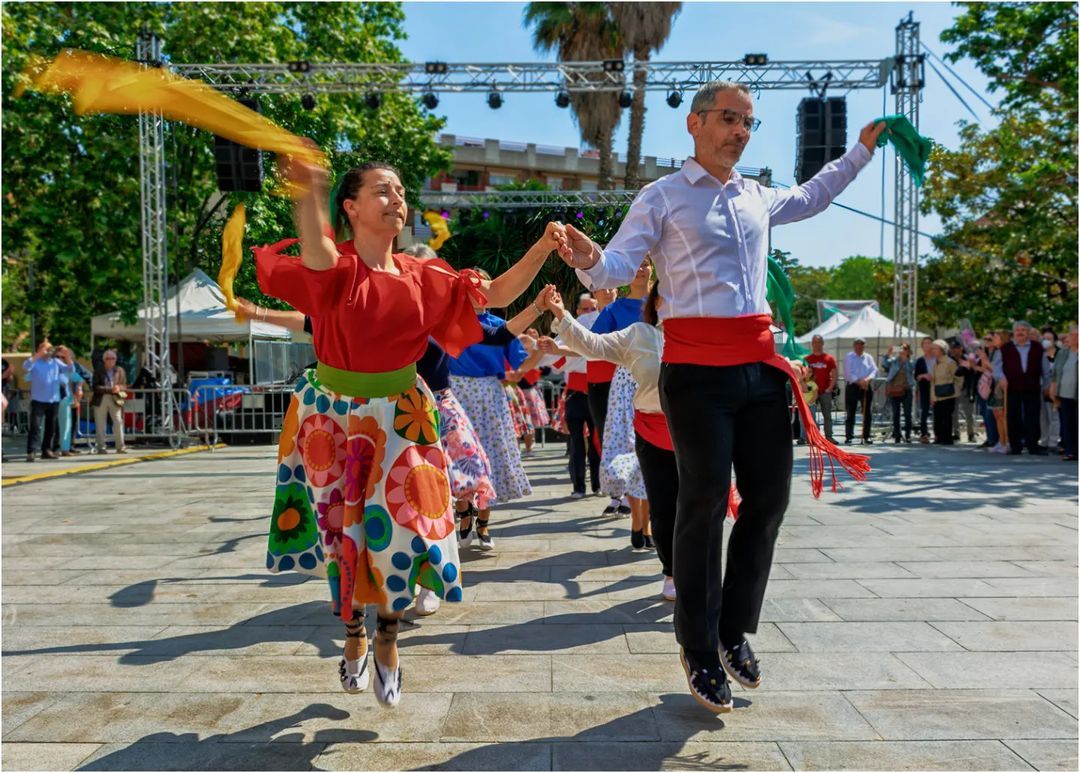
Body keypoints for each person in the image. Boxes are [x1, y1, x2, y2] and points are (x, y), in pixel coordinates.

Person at [552, 79, 880, 713]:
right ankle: (699, 648)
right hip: (695, 371)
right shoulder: (663, 197)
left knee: (769, 502)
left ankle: (732, 629)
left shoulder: (756, 196)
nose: (740, 131)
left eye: (749, 123)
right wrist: (590, 259)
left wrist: (858, 153)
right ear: (696, 124)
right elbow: (617, 267)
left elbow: (812, 197)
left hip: (758, 366)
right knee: (702, 502)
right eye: (730, 119)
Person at [255, 154, 566, 708]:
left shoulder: (425, 276)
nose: (396, 198)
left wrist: (543, 247)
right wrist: (309, 191)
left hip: (403, 414)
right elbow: (318, 253)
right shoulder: (339, 267)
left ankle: (389, 636)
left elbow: (492, 296)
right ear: (349, 207)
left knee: (409, 529)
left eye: (400, 190)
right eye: (381, 190)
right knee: (341, 537)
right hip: (335, 416)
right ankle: (352, 634)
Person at [592, 259, 652, 519]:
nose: (640, 268)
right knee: (629, 442)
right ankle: (635, 511)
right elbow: (592, 345)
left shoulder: (667, 303)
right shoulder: (614, 310)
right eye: (635, 264)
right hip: (627, 381)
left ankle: (648, 516)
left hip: (662, 378)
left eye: (646, 263)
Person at [993, 320, 1052, 455]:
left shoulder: (1037, 348)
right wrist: (1001, 377)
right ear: (1014, 333)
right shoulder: (1005, 348)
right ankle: (1015, 446)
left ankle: (1033, 445)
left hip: (1032, 387)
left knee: (1033, 416)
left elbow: (1046, 369)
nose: (1020, 332)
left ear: (1028, 332)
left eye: (1023, 330)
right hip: (1012, 387)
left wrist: (1047, 385)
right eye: (1017, 330)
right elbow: (996, 367)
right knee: (1013, 416)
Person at [23, 341, 73, 462]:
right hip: (38, 399)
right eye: (45, 349)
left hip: (53, 399)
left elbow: (70, 369)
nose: (48, 351)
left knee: (51, 427)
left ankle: (46, 450)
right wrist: (39, 354)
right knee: (35, 426)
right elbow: (26, 366)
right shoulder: (35, 362)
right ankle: (32, 451)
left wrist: (67, 356)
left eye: (49, 349)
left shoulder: (55, 362)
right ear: (39, 349)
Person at [91, 349, 128, 454]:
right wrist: (109, 389)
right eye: (108, 358)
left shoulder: (120, 370)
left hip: (115, 398)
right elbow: (95, 387)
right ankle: (101, 447)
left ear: (116, 359)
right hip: (101, 398)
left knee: (118, 422)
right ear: (104, 360)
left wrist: (118, 387)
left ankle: (120, 447)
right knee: (100, 424)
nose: (111, 360)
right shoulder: (98, 370)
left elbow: (125, 385)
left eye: (113, 358)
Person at [1050, 324, 1078, 461]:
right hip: (1065, 393)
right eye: (1072, 335)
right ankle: (1070, 450)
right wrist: (1053, 390)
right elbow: (1055, 373)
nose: (1072, 338)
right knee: (1067, 422)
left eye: (1076, 335)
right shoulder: (1063, 353)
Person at [843, 337, 877, 445]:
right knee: (850, 412)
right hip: (853, 386)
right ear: (854, 346)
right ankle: (849, 436)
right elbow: (848, 372)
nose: (859, 346)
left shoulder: (868, 357)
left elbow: (874, 370)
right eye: (857, 344)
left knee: (867, 413)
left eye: (861, 344)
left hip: (866, 386)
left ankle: (866, 436)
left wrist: (867, 380)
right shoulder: (849, 357)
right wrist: (859, 381)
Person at [804, 335, 837, 442]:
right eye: (815, 342)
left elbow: (835, 373)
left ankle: (829, 436)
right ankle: (810, 437)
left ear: (822, 343)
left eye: (819, 342)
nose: (817, 344)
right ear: (812, 344)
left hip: (824, 391)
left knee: (827, 414)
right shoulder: (807, 359)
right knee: (810, 415)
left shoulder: (829, 358)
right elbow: (802, 374)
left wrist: (830, 387)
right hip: (811, 392)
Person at [56, 346, 87, 456]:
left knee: (67, 425)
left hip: (66, 399)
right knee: (51, 426)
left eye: (62, 357)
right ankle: (52, 448)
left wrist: (79, 388)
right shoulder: (50, 367)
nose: (59, 359)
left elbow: (80, 378)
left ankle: (65, 448)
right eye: (57, 356)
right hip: (50, 400)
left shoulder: (68, 368)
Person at [948, 339, 978, 443]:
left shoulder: (968, 359)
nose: (954, 350)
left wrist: (968, 366)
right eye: (953, 348)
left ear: (961, 348)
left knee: (969, 414)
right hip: (953, 390)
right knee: (954, 413)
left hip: (966, 389)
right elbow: (953, 374)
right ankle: (956, 434)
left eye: (956, 348)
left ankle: (971, 434)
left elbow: (973, 373)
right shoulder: (949, 360)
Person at [884, 343, 915, 443]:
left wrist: (905, 358)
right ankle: (897, 435)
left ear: (908, 351)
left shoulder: (910, 361)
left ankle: (908, 435)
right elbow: (884, 364)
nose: (902, 350)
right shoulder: (893, 361)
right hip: (895, 390)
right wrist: (888, 353)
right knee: (895, 414)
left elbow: (911, 368)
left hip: (906, 389)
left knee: (907, 414)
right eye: (901, 348)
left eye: (905, 348)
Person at [929, 339, 959, 445]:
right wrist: (932, 396)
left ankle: (947, 438)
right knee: (937, 417)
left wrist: (954, 389)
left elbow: (958, 377)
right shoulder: (935, 363)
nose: (932, 350)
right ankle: (939, 437)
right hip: (937, 394)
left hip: (948, 394)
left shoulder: (950, 362)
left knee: (946, 417)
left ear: (942, 350)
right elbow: (933, 381)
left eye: (934, 349)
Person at [1039, 327, 1061, 452]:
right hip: (1041, 388)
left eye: (1049, 339)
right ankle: (1044, 440)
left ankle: (1053, 442)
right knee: (1043, 416)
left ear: (1054, 341)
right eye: (1044, 338)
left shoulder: (1059, 353)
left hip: (1053, 388)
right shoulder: (1040, 354)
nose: (1046, 341)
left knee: (1054, 416)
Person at [914, 336, 936, 443]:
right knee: (924, 411)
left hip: (937, 388)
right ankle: (924, 434)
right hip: (924, 388)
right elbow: (916, 376)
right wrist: (923, 375)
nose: (927, 345)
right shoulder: (919, 361)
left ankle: (938, 434)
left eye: (929, 343)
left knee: (938, 411)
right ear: (922, 347)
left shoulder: (937, 359)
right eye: (925, 343)